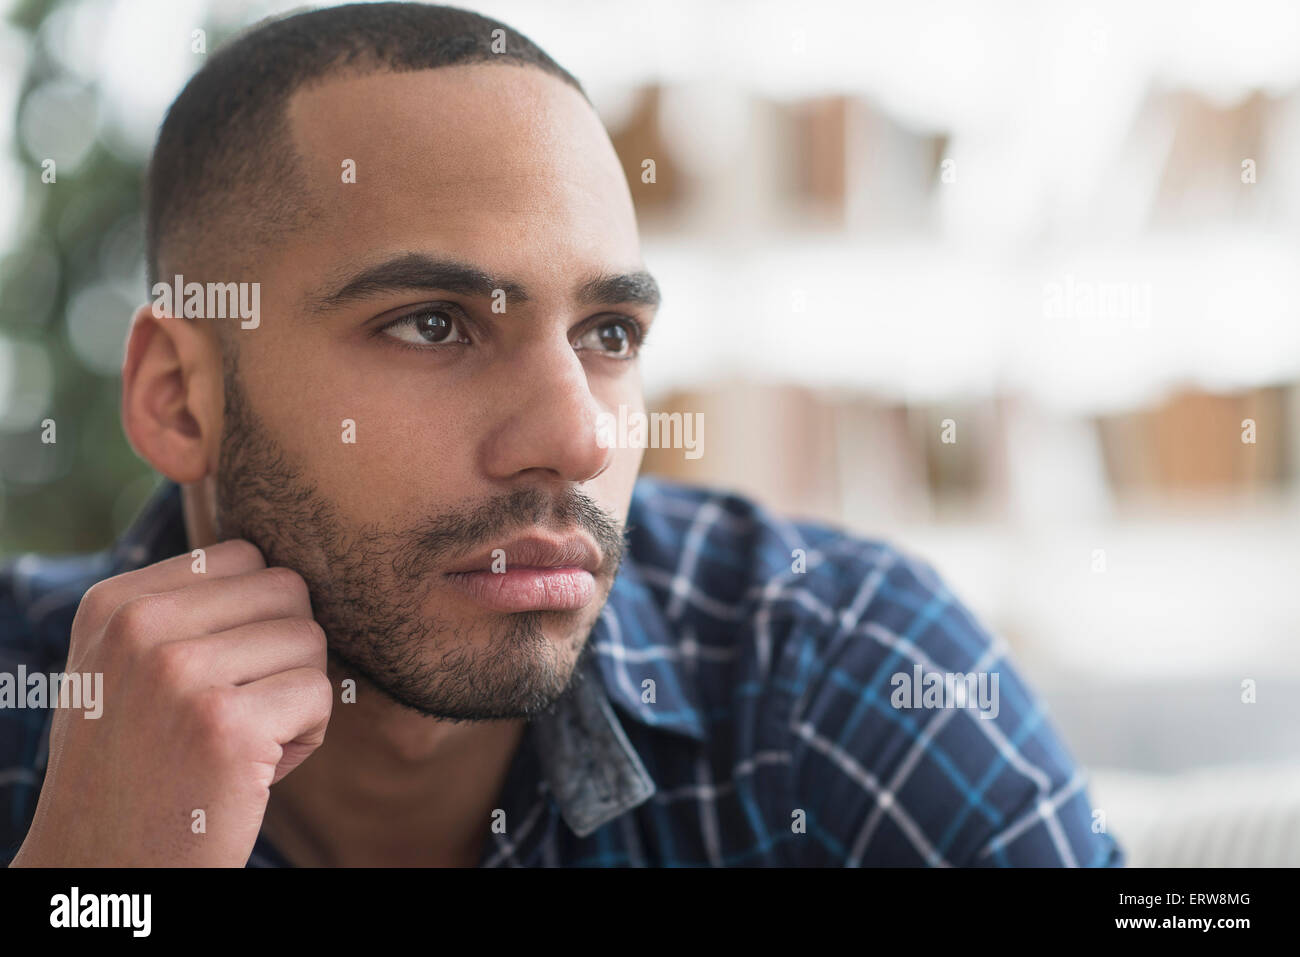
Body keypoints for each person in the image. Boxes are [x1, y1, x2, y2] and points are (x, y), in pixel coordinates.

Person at [1, 2, 1122, 867]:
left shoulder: (831, 671)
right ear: (179, 396)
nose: (577, 440)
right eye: (433, 325)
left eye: (608, 332)